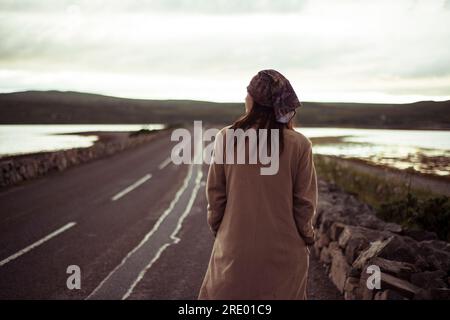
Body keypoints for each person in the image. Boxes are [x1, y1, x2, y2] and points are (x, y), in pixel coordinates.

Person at [198, 69, 317, 300]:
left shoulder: (226, 137)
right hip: (285, 251)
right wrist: (307, 236)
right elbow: (304, 204)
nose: (245, 98)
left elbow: (215, 195)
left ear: (254, 100)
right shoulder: (300, 144)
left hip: (235, 247)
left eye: (248, 94)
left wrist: (221, 230)